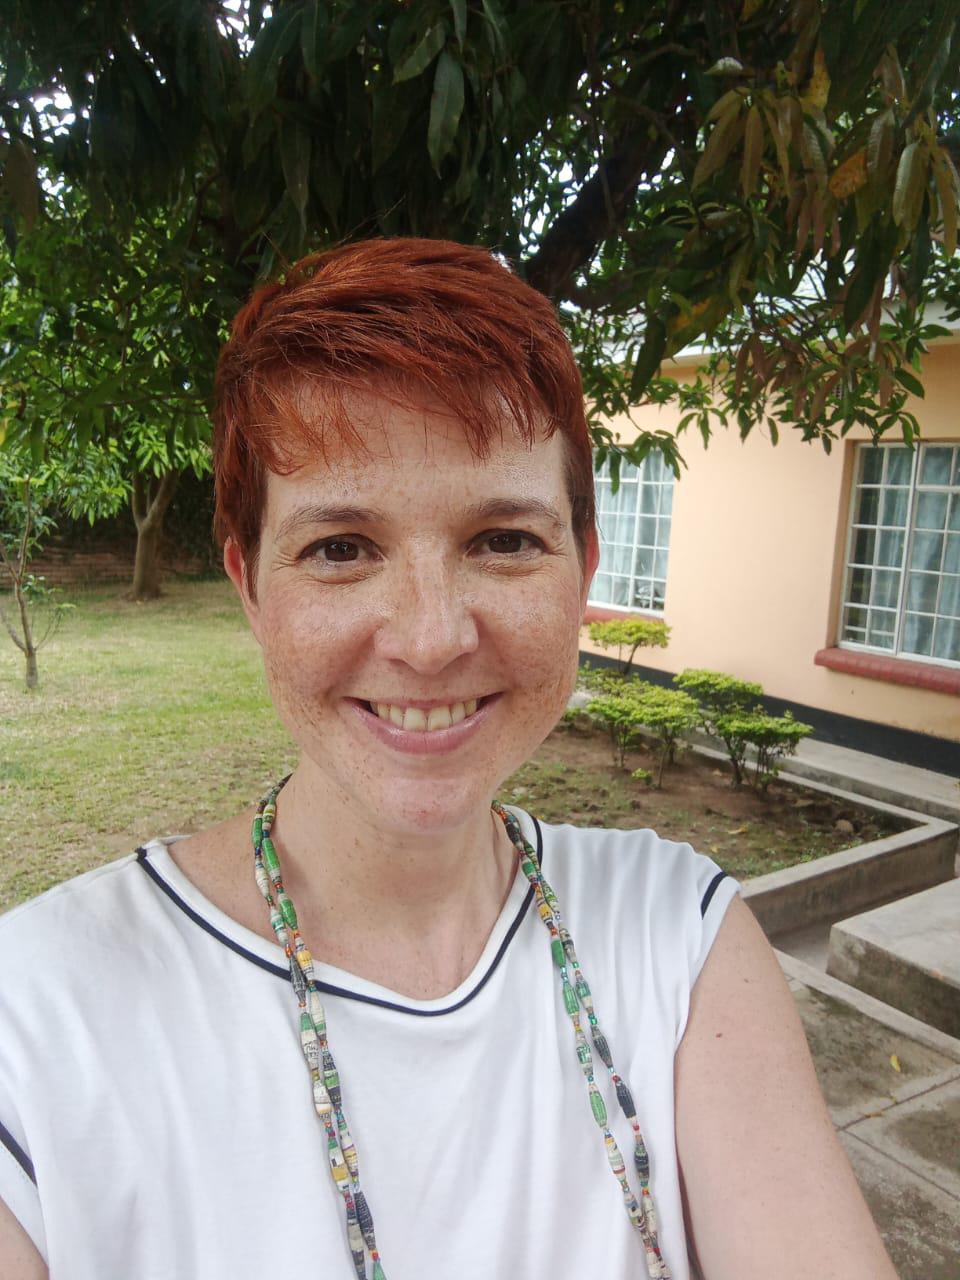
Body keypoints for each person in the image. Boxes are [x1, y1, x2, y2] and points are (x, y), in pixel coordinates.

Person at [0, 238, 897, 1280]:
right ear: (251, 585)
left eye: (503, 539)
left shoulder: (677, 935)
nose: (429, 640)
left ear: (582, 566)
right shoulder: (38, 1014)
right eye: (340, 547)